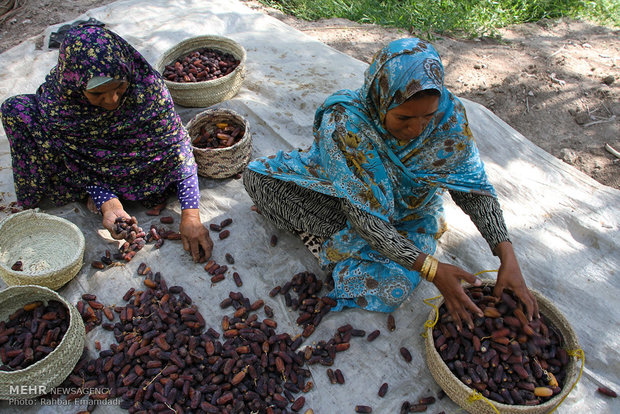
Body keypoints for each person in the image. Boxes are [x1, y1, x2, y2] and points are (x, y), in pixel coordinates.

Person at [243, 37, 538, 329]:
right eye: (403, 118)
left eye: (427, 117)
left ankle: (356, 244)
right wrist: (431, 269)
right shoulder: (346, 122)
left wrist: (506, 254)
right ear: (380, 100)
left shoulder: (448, 118)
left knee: (393, 284)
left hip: (411, 212)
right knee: (258, 180)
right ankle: (368, 243)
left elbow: (473, 191)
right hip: (348, 194)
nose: (416, 128)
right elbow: (363, 215)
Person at [0, 24, 212, 262]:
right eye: (98, 94)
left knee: (174, 158)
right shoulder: (61, 105)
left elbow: (178, 150)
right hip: (91, 170)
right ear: (77, 86)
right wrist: (107, 202)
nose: (112, 100)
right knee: (15, 109)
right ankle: (97, 193)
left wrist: (191, 215)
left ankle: (109, 192)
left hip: (141, 166)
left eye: (119, 87)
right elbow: (73, 158)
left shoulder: (147, 88)